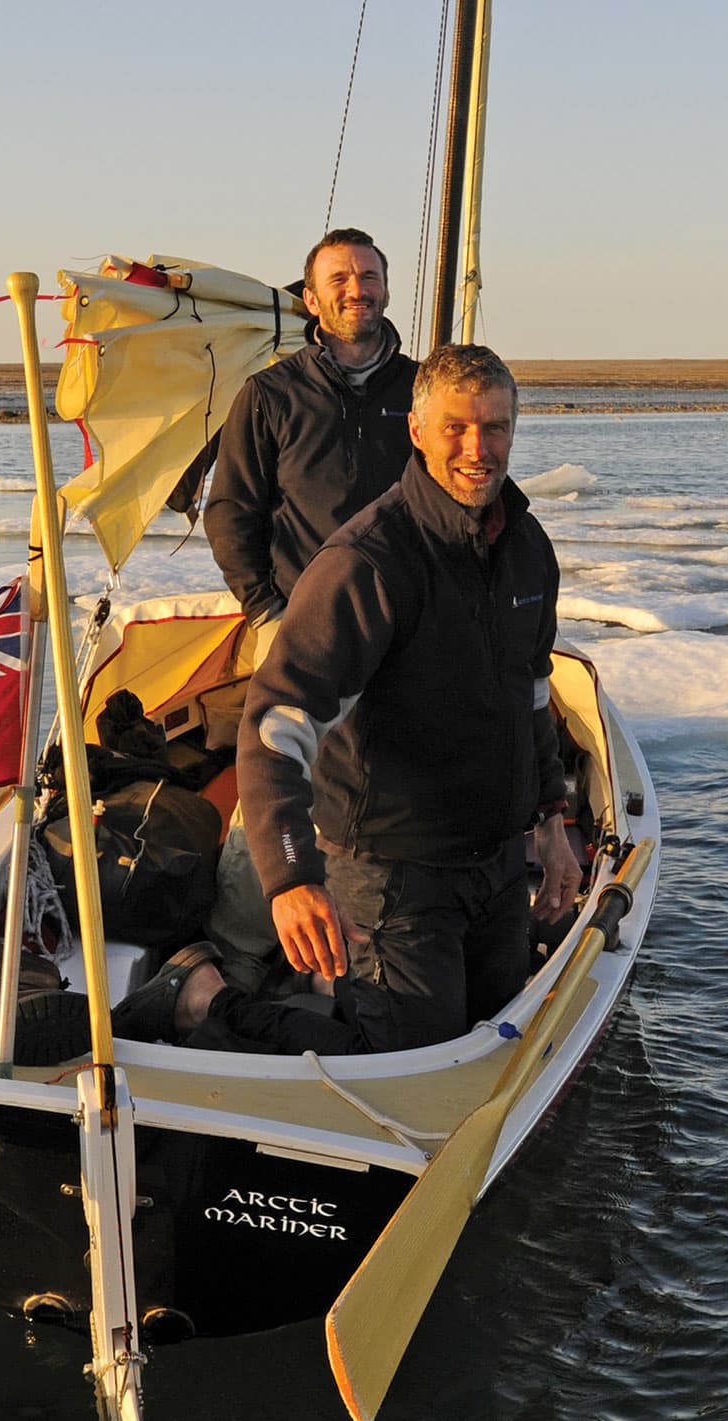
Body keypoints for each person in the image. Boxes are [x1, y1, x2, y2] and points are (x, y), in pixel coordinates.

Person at [122, 344, 581, 1056]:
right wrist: (290, 877)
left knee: (496, 1036)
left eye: (495, 428)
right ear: (419, 431)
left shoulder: (525, 547)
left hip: (492, 861)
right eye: (457, 427)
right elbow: (275, 724)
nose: (477, 449)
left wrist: (552, 818)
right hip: (393, 870)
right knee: (406, 1061)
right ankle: (200, 1000)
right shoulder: (368, 564)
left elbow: (532, 692)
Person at [200, 228, 421, 996]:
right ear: (313, 297)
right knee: (273, 787)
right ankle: (238, 953)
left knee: (389, 791)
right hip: (303, 632)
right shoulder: (271, 395)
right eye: (340, 278)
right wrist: (266, 612)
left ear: (387, 288)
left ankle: (367, 954)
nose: (356, 288)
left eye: (368, 275)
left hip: (406, 635)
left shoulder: (424, 395)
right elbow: (230, 514)